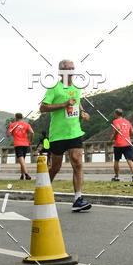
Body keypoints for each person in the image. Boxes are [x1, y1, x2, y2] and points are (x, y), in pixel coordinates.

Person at [39, 59, 91, 212]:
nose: (71, 71)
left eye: (72, 68)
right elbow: (43, 107)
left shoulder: (76, 87)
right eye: (68, 68)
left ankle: (78, 199)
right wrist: (64, 104)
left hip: (74, 131)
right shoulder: (54, 88)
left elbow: (77, 101)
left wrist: (82, 111)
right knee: (56, 167)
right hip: (58, 134)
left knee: (77, 162)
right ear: (61, 71)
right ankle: (43, 191)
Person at [110, 109, 133, 182]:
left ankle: (116, 177)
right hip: (128, 143)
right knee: (130, 160)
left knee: (116, 160)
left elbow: (117, 129)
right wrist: (126, 135)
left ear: (116, 114)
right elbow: (132, 132)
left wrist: (113, 137)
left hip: (118, 144)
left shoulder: (115, 121)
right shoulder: (127, 122)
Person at [7, 112, 34, 181]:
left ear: (16, 118)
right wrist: (30, 141)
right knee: (22, 160)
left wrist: (11, 130)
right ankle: (22, 175)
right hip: (25, 144)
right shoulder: (26, 125)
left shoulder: (13, 125)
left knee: (21, 160)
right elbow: (32, 132)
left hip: (18, 144)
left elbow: (8, 135)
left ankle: (26, 174)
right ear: (22, 118)